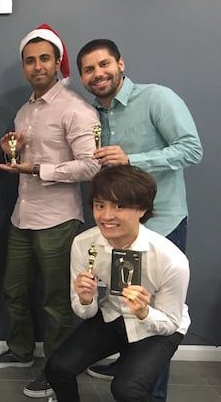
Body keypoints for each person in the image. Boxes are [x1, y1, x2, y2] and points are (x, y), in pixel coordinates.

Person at [76, 39, 202, 400]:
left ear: (121, 63)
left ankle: (152, 394)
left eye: (104, 64)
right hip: (119, 230)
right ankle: (128, 368)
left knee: (158, 322)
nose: (98, 74)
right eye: (88, 70)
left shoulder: (156, 98)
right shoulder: (92, 115)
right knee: (128, 303)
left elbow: (192, 149)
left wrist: (133, 159)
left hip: (162, 226)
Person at [0, 24, 100, 399]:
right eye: (30, 61)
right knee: (13, 290)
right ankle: (20, 351)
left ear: (57, 62)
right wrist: (13, 148)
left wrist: (37, 169)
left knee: (55, 300)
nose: (37, 67)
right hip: (22, 215)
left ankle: (56, 370)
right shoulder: (24, 111)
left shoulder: (76, 109)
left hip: (59, 219)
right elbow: (27, 157)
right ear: (24, 67)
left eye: (44, 59)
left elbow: (91, 165)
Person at [45, 165, 190, 402]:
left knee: (127, 390)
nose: (106, 216)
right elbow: (84, 312)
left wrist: (144, 312)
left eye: (119, 206)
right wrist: (86, 299)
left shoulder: (171, 259)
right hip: (114, 314)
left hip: (158, 325)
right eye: (100, 205)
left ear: (141, 209)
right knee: (57, 368)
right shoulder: (84, 244)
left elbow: (171, 323)